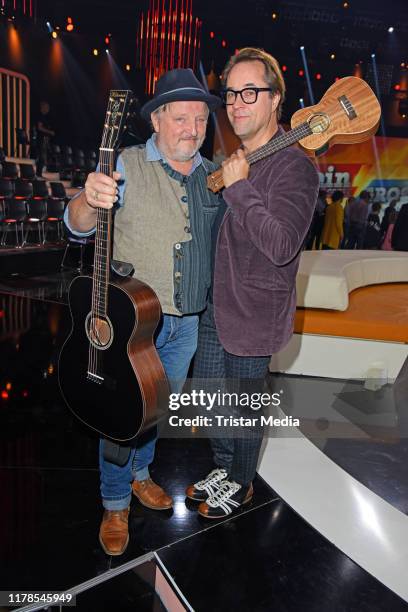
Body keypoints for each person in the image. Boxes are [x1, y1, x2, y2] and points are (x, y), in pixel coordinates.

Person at [64, 68, 221, 555]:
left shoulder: (211, 174)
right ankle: (114, 502)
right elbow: (78, 224)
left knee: (153, 411)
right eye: (180, 118)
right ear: (156, 120)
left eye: (199, 118)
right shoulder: (125, 163)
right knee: (120, 411)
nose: (192, 128)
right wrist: (88, 201)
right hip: (133, 323)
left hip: (186, 325)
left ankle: (139, 474)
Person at [185, 48, 319, 518]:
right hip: (217, 304)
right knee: (209, 395)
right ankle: (225, 466)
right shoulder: (243, 157)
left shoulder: (296, 167)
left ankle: (241, 483)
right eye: (231, 94)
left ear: (275, 98)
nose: (237, 103)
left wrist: (239, 187)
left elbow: (282, 245)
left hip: (255, 312)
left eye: (250, 92)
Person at [35, 101, 55, 177]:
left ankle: (39, 173)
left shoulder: (44, 117)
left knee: (43, 157)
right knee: (41, 157)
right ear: (43, 108)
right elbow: (39, 128)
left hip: (44, 139)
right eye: (46, 107)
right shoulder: (40, 116)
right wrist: (50, 132)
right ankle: (38, 173)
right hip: (41, 139)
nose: (48, 109)